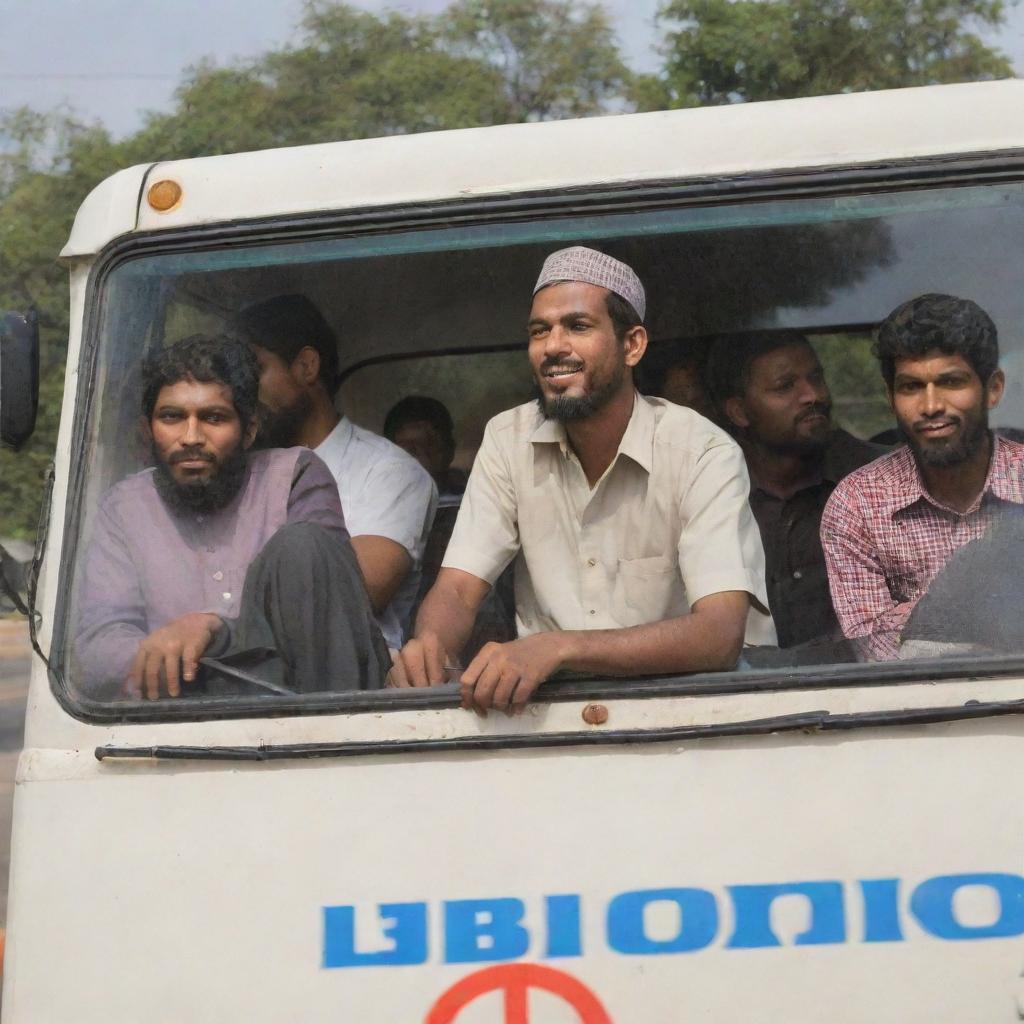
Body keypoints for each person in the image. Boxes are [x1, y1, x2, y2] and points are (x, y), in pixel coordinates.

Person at [391, 245, 775, 713]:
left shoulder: (702, 452)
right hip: (553, 714)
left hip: (696, 709)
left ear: (632, 345)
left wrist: (558, 647)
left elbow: (718, 635)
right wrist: (429, 647)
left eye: (577, 326)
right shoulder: (507, 439)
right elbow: (456, 589)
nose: (553, 346)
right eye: (539, 331)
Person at [75, 334, 390, 700]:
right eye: (172, 417)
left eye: (213, 417)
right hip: (179, 726)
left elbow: (324, 610)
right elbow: (97, 649)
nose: (191, 437)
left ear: (249, 431)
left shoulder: (295, 477)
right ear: (149, 430)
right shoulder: (124, 508)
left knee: (302, 545)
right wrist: (174, 652)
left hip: (306, 722)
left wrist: (213, 630)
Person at [821, 293, 1024, 661]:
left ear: (993, 388)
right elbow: (874, 655)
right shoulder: (857, 504)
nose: (931, 406)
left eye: (951, 382)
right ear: (889, 395)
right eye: (911, 387)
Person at [236, 294, 437, 650]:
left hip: (347, 692)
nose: (242, 391)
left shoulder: (389, 472)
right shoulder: (238, 468)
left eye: (255, 370)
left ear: (306, 367)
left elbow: (348, 596)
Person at [705, 330, 885, 652]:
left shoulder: (877, 480)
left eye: (816, 378)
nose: (812, 395)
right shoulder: (711, 494)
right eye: (785, 386)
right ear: (739, 412)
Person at [383, 395, 468, 498]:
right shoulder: (378, 500)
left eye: (430, 445)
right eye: (411, 450)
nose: (423, 457)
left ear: (450, 448)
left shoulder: (474, 490)